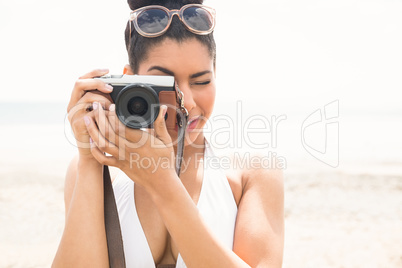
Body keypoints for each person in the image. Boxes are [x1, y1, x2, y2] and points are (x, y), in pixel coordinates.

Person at [52, 0, 284, 267]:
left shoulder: (251, 171)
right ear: (130, 81)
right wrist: (90, 155)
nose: (188, 103)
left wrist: (163, 183)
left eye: (201, 81)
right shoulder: (96, 166)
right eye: (164, 84)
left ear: (216, 75)